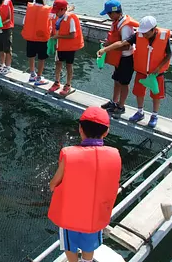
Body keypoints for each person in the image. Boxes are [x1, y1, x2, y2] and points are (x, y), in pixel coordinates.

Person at [49, 106, 121, 262]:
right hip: (95, 215)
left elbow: (54, 183)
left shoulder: (69, 154)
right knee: (90, 244)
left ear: (80, 129)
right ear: (106, 131)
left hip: (70, 214)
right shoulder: (114, 154)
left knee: (69, 245)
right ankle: (87, 261)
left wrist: (53, 186)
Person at [97, 16, 172, 128]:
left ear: (153, 29)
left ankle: (154, 115)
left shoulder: (163, 37)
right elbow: (122, 43)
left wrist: (159, 67)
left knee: (156, 94)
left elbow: (169, 54)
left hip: (156, 73)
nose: (144, 35)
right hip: (141, 71)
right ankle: (140, 112)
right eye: (143, 33)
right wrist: (105, 49)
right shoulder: (138, 35)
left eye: (147, 33)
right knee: (139, 92)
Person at [99, 0, 139, 117]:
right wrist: (107, 44)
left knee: (124, 83)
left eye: (109, 14)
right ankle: (114, 102)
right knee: (116, 81)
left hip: (127, 59)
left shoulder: (125, 26)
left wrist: (109, 48)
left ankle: (121, 106)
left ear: (115, 13)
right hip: (118, 59)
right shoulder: (116, 22)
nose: (109, 16)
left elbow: (126, 46)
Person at [48, 0, 84, 97]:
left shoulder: (70, 18)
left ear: (63, 10)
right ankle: (57, 82)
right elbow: (54, 27)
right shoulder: (57, 16)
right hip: (59, 46)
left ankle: (68, 85)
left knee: (69, 65)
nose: (55, 13)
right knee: (58, 63)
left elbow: (72, 35)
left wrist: (58, 36)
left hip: (69, 47)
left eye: (57, 11)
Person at [21, 0, 52, 86]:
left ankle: (32, 74)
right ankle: (39, 77)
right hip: (42, 38)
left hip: (30, 37)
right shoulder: (48, 10)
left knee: (31, 56)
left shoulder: (30, 8)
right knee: (41, 58)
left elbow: (23, 22)